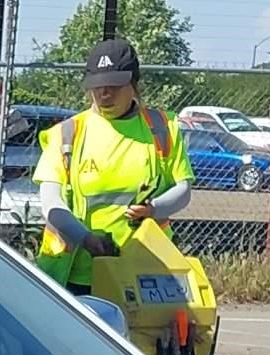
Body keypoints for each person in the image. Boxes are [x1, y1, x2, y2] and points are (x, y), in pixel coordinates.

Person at [33, 36, 194, 292]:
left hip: (145, 271)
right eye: (97, 86)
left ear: (134, 83)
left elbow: (183, 191)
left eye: (114, 86)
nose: (104, 93)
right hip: (76, 275)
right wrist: (85, 238)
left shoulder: (162, 128)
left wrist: (153, 208)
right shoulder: (68, 133)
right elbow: (50, 203)